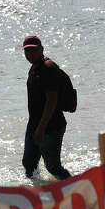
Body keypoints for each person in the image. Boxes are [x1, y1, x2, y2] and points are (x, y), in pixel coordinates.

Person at [21, 34, 72, 181]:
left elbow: (51, 101)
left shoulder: (48, 68)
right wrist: (35, 128)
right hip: (34, 124)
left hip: (51, 126)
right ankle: (37, 195)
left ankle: (74, 188)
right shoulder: (34, 68)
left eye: (33, 50)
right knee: (29, 164)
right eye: (27, 51)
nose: (30, 54)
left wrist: (41, 129)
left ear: (41, 49)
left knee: (53, 167)